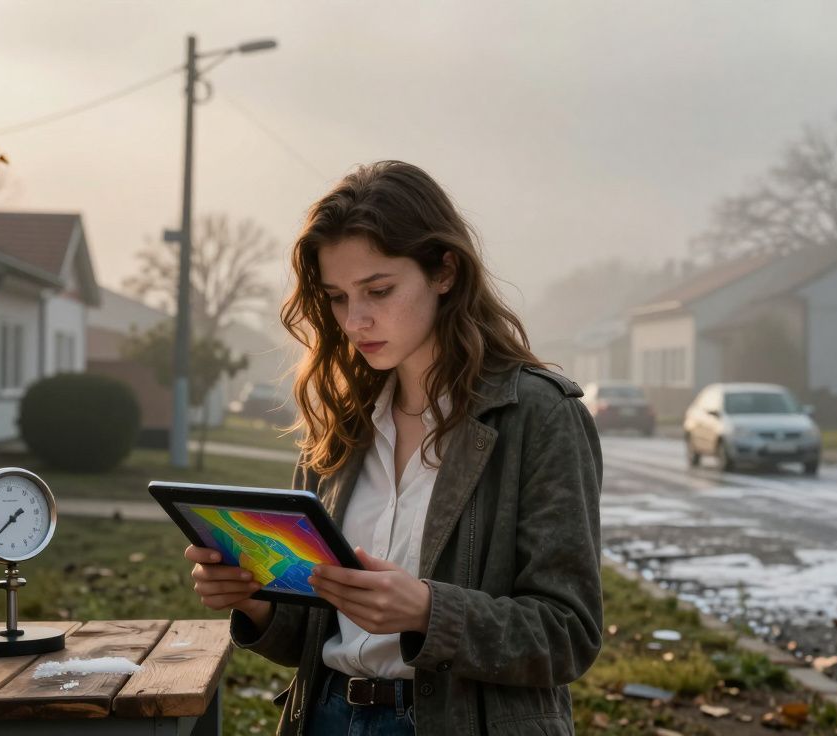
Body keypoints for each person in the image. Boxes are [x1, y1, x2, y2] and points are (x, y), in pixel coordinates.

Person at [184, 161, 603, 735]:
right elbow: (313, 633)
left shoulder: (539, 414)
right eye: (336, 297)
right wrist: (255, 601)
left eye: (379, 290)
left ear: (445, 271)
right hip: (326, 717)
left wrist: (429, 612)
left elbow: (568, 634)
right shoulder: (341, 420)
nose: (355, 321)